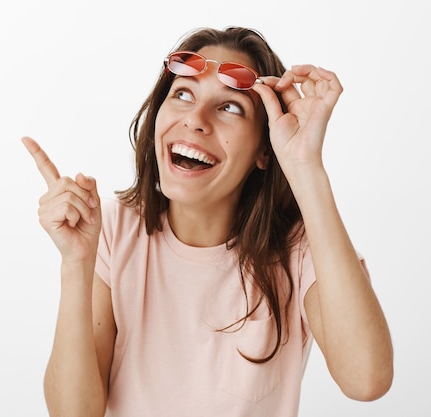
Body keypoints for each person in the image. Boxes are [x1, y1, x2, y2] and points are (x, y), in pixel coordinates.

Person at [21, 26, 393, 417]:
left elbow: (366, 381)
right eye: (183, 94)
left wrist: (304, 166)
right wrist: (76, 263)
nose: (195, 119)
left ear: (264, 150)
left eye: (229, 106)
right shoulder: (113, 231)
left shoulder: (299, 249)